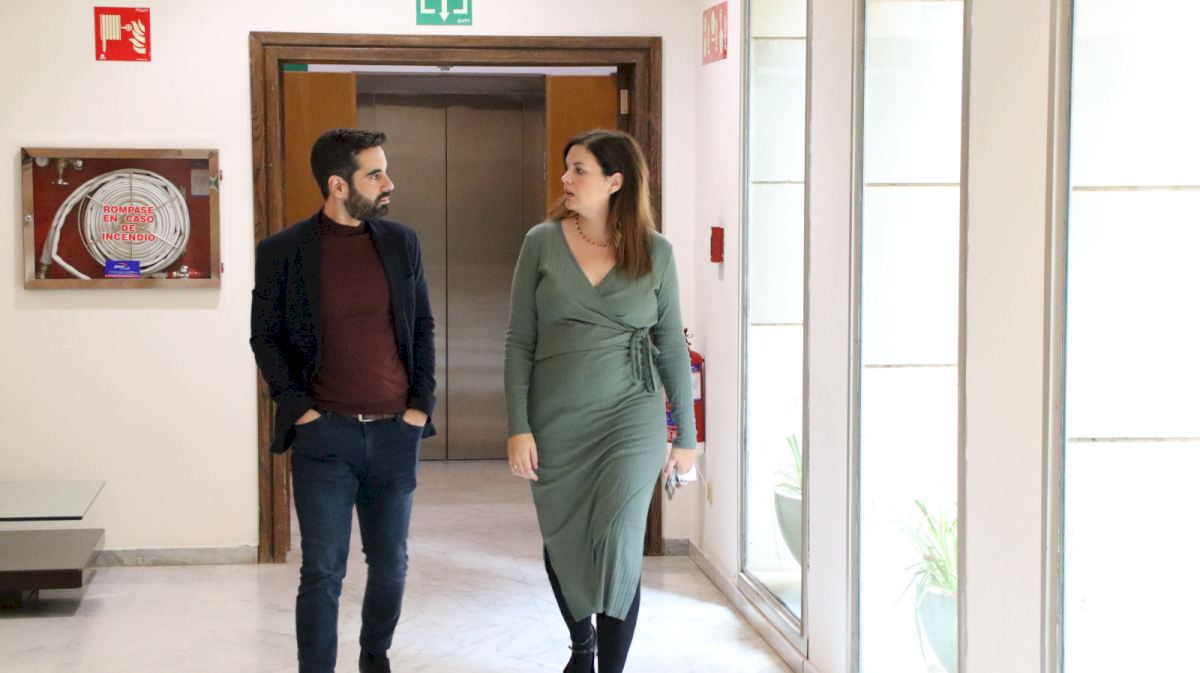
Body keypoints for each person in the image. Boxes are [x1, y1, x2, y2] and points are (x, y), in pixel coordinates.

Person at [504, 129, 698, 673]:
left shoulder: (656, 252)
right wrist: (518, 425)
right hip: (556, 419)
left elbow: (670, 346)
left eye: (579, 169)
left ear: (615, 182)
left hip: (630, 417)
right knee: (563, 537)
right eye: (567, 167)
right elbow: (519, 341)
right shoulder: (541, 243)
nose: (566, 179)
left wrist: (686, 437)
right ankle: (581, 644)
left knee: (619, 543)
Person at [249, 128, 436, 673]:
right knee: (323, 571)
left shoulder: (401, 242)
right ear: (337, 185)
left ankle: (374, 656)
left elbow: (421, 326)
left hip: (395, 432)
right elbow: (265, 338)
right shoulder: (283, 251)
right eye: (374, 174)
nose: (388, 182)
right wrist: (300, 411)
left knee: (391, 563)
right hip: (324, 436)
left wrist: (420, 407)